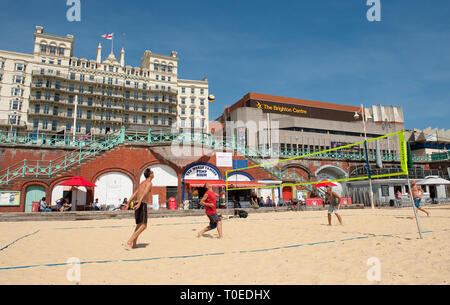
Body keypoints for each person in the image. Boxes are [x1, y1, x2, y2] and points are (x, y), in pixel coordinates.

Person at [125, 169, 154, 250]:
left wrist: (128, 202)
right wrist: (139, 203)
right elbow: (144, 193)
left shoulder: (142, 183)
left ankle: (134, 244)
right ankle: (129, 242)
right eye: (152, 172)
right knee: (144, 225)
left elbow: (135, 193)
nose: (153, 173)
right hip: (141, 204)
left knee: (139, 224)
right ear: (150, 174)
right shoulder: (149, 183)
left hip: (137, 203)